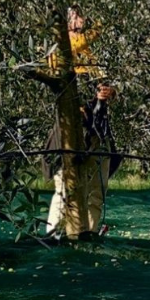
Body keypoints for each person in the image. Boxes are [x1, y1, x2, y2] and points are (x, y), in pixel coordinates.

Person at [44, 83, 120, 237]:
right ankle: (53, 233)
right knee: (64, 190)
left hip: (99, 138)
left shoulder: (101, 70)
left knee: (97, 192)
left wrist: (111, 93)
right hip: (68, 135)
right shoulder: (61, 65)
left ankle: (88, 232)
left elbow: (120, 91)